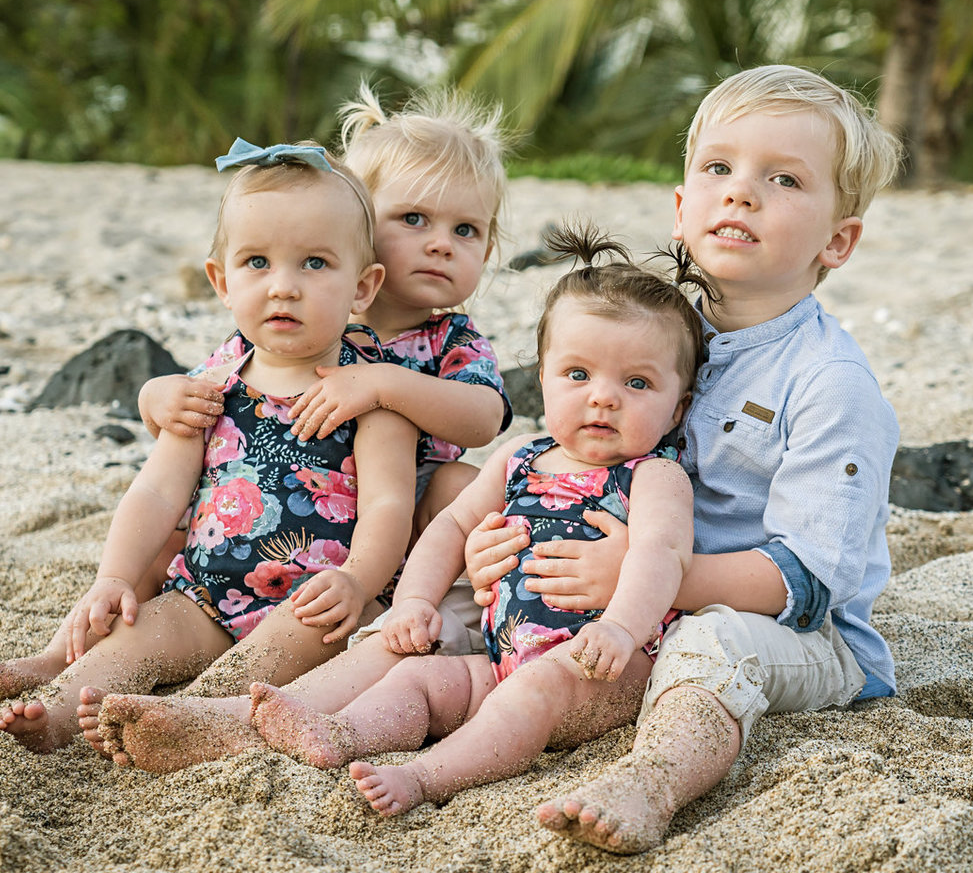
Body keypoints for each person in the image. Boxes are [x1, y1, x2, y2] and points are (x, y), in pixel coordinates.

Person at [0, 85, 512, 712]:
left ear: (360, 282)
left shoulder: (433, 348)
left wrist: (381, 386)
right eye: (413, 219)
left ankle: (199, 708)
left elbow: (483, 417)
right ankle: (62, 666)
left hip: (370, 543)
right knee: (158, 552)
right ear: (363, 224)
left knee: (464, 484)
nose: (440, 242)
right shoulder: (259, 343)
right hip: (222, 559)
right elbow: (177, 445)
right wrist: (154, 394)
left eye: (465, 230)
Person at [464, 64, 903, 853]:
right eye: (719, 168)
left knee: (713, 646)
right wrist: (495, 538)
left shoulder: (829, 383)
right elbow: (572, 455)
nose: (740, 193)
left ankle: (652, 779)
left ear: (838, 239)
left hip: (790, 630)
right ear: (680, 207)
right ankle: (279, 712)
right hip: (640, 603)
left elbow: (805, 580)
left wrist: (642, 576)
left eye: (784, 179)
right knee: (455, 601)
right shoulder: (652, 337)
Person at [235, 224, 706, 817]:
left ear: (678, 406)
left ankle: (425, 777)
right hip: (504, 656)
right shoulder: (521, 457)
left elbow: (661, 556)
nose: (603, 398)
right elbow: (453, 527)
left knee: (535, 692)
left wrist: (618, 628)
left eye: (637, 383)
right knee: (422, 682)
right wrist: (413, 602)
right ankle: (345, 732)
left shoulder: (654, 476)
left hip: (603, 669)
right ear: (542, 378)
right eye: (579, 375)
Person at [0, 140, 419, 752]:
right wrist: (115, 575)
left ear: (362, 288)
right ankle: (57, 712)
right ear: (221, 280)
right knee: (138, 634)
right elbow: (159, 488)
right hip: (203, 595)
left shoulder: (370, 392)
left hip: (314, 599)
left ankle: (193, 717)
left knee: (292, 641)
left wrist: (356, 579)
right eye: (257, 263)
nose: (284, 288)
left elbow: (388, 505)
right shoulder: (211, 386)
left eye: (315, 264)